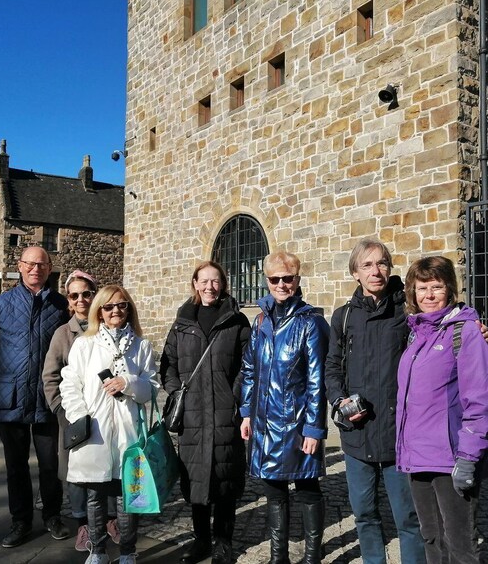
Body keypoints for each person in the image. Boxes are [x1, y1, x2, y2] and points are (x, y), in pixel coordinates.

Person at [324, 238, 425, 564]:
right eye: (367, 265)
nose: (375, 270)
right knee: (365, 515)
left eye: (381, 263)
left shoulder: (408, 311)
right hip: (357, 434)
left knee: (407, 519)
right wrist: (338, 400)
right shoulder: (343, 317)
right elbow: (331, 367)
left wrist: (472, 328)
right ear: (355, 272)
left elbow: (445, 318)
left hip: (398, 435)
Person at [396, 256, 488, 564]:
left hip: (451, 458)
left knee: (460, 546)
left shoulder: (465, 332)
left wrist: (469, 457)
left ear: (449, 289)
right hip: (417, 456)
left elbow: (481, 400)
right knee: (432, 540)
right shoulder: (416, 334)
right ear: (412, 294)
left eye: (436, 287)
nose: (429, 295)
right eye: (421, 288)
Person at [239, 250, 329, 564]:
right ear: (266, 281)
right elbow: (250, 370)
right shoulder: (260, 321)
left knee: (306, 487)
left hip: (297, 421)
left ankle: (312, 556)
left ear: (297, 280)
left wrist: (314, 428)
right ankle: (279, 557)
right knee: (274, 490)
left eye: (287, 278)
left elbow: (317, 380)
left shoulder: (310, 323)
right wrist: (246, 412)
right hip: (264, 422)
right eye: (275, 279)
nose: (281, 284)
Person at [60, 285, 159, 564]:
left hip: (128, 432)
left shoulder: (141, 346)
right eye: (109, 306)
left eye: (122, 305)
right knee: (95, 495)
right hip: (96, 432)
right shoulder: (85, 344)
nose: (116, 311)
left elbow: (151, 388)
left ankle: (128, 551)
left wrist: (128, 383)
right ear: (99, 311)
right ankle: (98, 550)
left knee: (128, 497)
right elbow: (70, 384)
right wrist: (80, 416)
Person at [0, 246, 71, 548]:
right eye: (30, 264)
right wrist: (12, 375)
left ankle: (53, 515)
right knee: (16, 465)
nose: (36, 269)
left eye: (42, 264)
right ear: (19, 266)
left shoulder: (61, 306)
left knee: (50, 464)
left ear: (49, 268)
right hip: (10, 398)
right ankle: (20, 521)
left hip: (47, 399)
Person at [160, 261, 250, 564]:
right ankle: (201, 539)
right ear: (195, 284)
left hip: (226, 412)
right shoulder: (182, 322)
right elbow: (167, 364)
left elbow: (247, 366)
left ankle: (223, 542)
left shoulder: (236, 321)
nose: (210, 287)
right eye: (204, 281)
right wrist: (176, 391)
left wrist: (233, 395)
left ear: (223, 284)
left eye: (215, 281)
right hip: (193, 414)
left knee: (225, 477)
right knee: (195, 478)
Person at [42, 270, 120, 552]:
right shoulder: (64, 334)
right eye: (74, 295)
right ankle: (84, 524)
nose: (81, 299)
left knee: (109, 468)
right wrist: (62, 412)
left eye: (87, 293)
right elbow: (50, 376)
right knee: (76, 474)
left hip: (107, 415)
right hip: (75, 417)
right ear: (68, 301)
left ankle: (111, 519)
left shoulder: (108, 329)